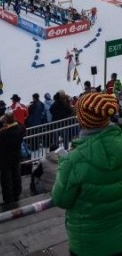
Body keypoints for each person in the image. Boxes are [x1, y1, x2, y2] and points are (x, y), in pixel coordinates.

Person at [52, 92, 122, 255]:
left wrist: (64, 163)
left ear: (82, 120)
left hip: (88, 245)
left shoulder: (73, 160)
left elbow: (61, 199)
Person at [0, 110, 25, 205]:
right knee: (16, 175)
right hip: (16, 156)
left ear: (5, 121)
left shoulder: (2, 133)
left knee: (6, 179)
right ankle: (17, 194)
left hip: (5, 159)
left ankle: (8, 199)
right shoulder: (20, 129)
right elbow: (20, 125)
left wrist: (0, 122)